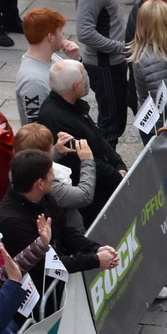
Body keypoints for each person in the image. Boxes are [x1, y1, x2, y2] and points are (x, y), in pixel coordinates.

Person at [0, 150, 121, 285]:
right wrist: (95, 260)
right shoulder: (11, 222)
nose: (54, 176)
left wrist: (95, 249)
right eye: (50, 174)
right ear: (40, 184)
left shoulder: (45, 197)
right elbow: (44, 265)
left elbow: (64, 231)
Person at [37, 59, 128, 222]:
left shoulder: (73, 105)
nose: (87, 80)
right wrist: (116, 175)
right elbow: (81, 161)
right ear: (76, 86)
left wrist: (118, 163)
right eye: (84, 77)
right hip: (96, 196)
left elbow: (97, 138)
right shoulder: (56, 118)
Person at [68, 0, 131, 142]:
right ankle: (106, 168)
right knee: (111, 125)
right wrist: (120, 48)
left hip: (112, 60)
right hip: (105, 65)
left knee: (114, 119)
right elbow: (85, 33)